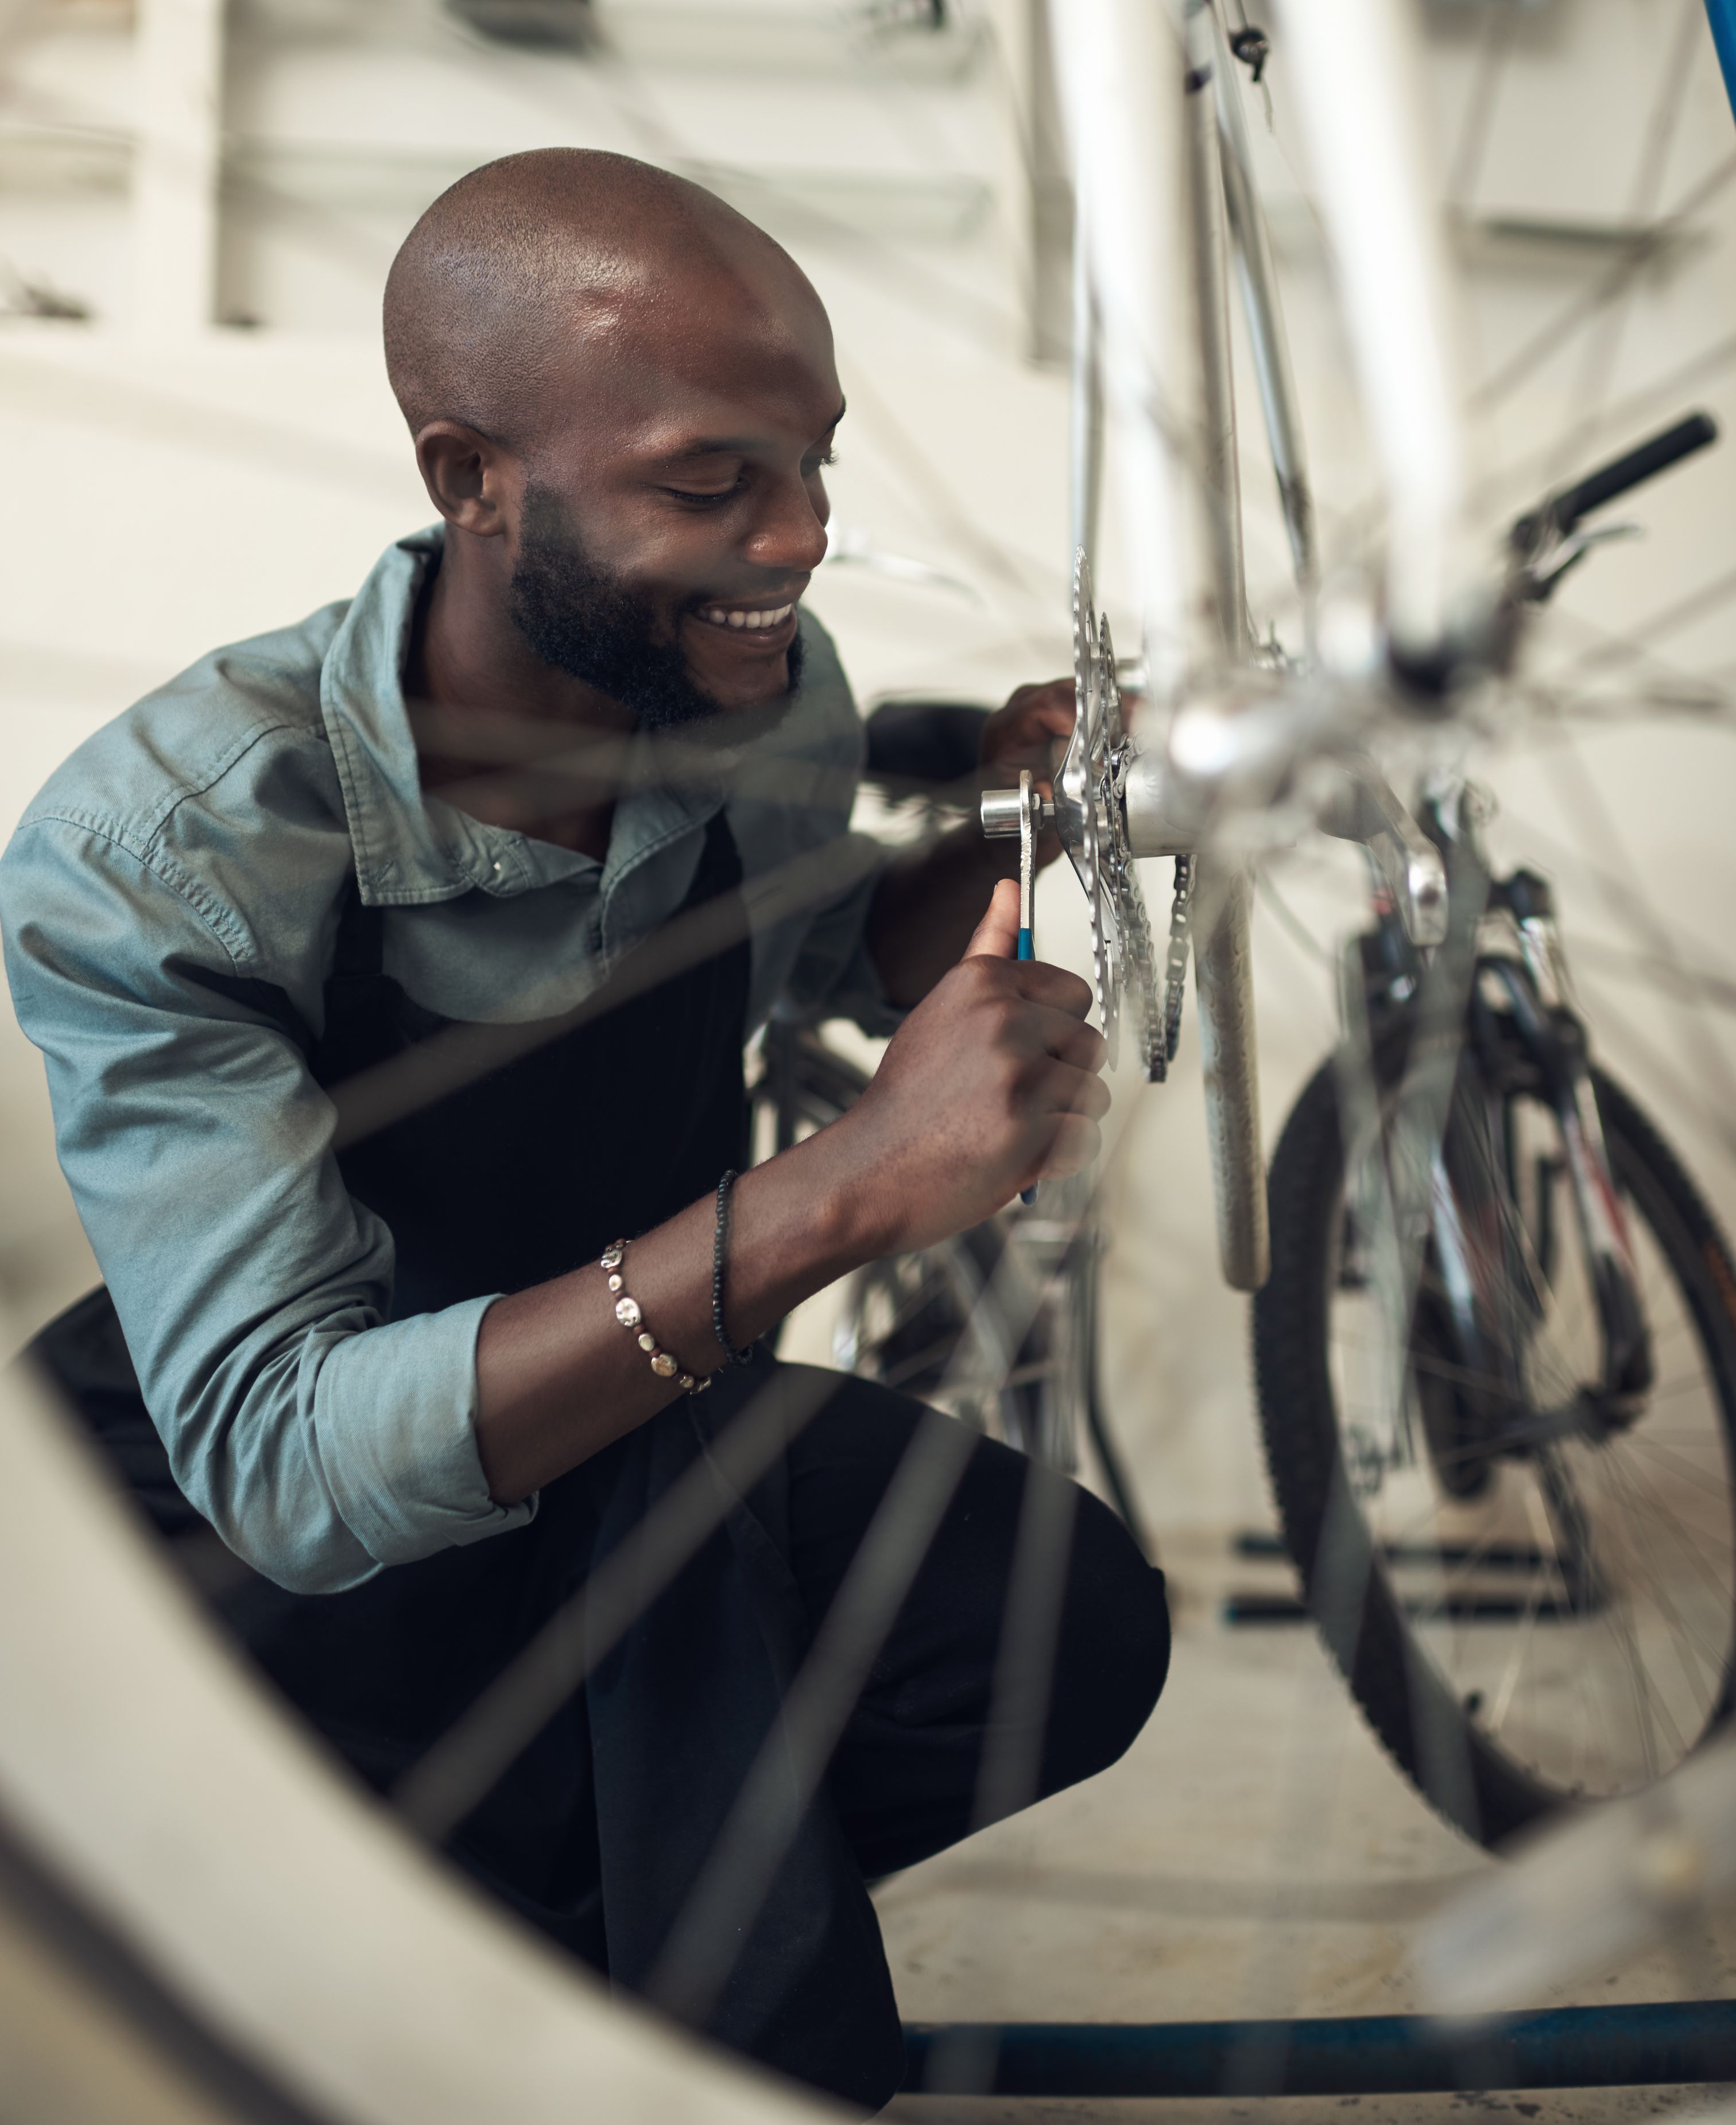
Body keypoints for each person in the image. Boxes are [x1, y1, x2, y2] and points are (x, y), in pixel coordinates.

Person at [1, 149, 1168, 2110]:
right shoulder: (168, 850)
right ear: (472, 478)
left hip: (625, 1452)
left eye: (818, 463)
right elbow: (287, 1463)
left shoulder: (760, 701)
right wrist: (844, 1194)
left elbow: (790, 950)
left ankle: (510, 1946)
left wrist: (1010, 836)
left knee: (1061, 1620)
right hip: (243, 1553)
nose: (798, 541)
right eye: (712, 483)